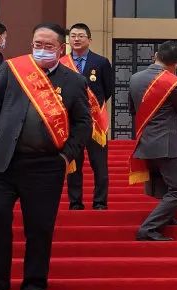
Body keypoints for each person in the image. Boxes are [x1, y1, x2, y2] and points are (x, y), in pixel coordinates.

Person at [0, 23, 90, 290]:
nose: (42, 50)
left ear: (61, 49)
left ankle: (34, 283)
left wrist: (66, 156)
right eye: (38, 44)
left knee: (39, 227)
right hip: (4, 160)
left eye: (49, 46)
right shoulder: (12, 69)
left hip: (46, 165)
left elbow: (83, 124)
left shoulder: (74, 81)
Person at [127, 40, 177, 242]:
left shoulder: (135, 78)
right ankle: (148, 229)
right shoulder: (172, 82)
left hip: (145, 141)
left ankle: (167, 214)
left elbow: (132, 109)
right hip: (166, 144)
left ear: (156, 55)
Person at [62, 22, 113, 210]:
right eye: (73, 36)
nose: (76, 39)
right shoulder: (61, 63)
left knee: (99, 165)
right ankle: (75, 202)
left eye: (81, 36)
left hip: (95, 121)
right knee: (74, 164)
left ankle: (100, 201)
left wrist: (92, 108)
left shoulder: (101, 62)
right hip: (71, 122)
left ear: (89, 39)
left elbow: (108, 89)